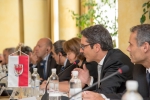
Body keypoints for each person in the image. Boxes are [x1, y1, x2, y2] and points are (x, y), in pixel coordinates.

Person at [74, 25, 134, 100]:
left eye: (83, 46)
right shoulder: (106, 59)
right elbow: (105, 87)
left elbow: (104, 94)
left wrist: (77, 96)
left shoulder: (115, 61)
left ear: (97, 47)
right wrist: (89, 80)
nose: (81, 51)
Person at [127, 24, 150, 100]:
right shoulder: (138, 68)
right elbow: (129, 95)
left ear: (145, 47)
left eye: (131, 44)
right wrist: (103, 98)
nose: (128, 49)